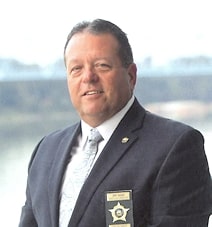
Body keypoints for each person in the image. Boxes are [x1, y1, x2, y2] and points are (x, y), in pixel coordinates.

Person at [19, 19, 212, 227]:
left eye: (102, 66)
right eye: (76, 69)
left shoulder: (176, 146)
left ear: (131, 76)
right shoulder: (46, 150)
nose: (88, 77)